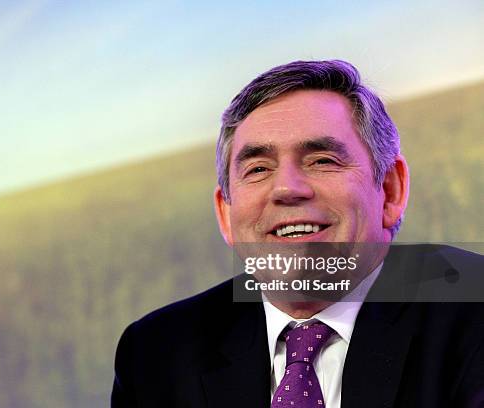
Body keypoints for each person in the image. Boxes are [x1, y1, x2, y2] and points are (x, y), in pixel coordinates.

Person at [111, 60, 484, 407]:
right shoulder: (155, 353)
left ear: (390, 190)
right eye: (258, 169)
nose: (286, 189)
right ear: (225, 213)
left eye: (322, 161)